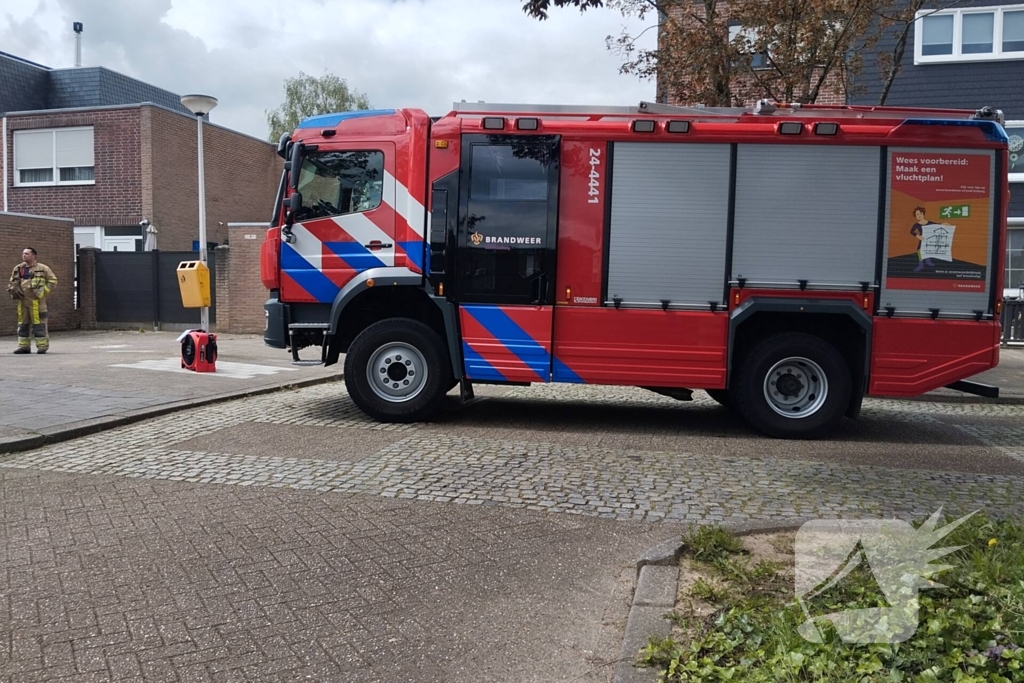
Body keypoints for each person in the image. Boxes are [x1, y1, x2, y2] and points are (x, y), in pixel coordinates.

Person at [8, 247, 57, 354]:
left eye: (26, 253)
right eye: (23, 253)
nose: (24, 255)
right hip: (22, 301)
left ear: (33, 255)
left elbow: (53, 281)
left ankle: (42, 346)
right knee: (23, 324)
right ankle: (24, 346)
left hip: (37, 302)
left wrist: (42, 292)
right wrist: (13, 290)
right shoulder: (18, 268)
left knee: (39, 324)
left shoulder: (43, 268)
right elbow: (12, 281)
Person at [910, 207, 937, 273]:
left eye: (919, 214)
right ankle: (920, 265)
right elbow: (911, 231)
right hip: (922, 239)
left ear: (922, 213)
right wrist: (918, 236)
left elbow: (937, 225)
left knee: (928, 250)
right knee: (919, 251)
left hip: (929, 240)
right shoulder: (917, 224)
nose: (918, 216)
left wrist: (944, 224)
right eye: (917, 215)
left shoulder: (929, 223)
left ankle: (928, 261)